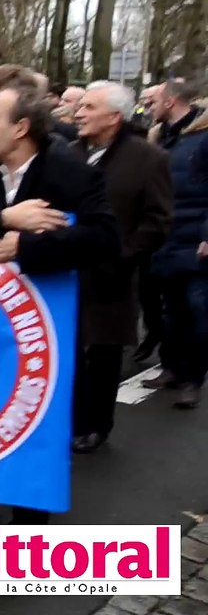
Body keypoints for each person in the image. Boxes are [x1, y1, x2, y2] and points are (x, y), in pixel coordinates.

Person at [0, 84, 120, 524]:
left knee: (33, 435)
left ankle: (24, 544)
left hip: (42, 339)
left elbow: (105, 239)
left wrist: (24, 247)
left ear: (21, 127)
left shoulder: (71, 174)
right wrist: (2, 219)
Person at [69, 81, 172, 450]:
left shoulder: (148, 159)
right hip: (67, 269)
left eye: (88, 107)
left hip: (112, 274)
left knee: (103, 352)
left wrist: (123, 256)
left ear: (114, 116)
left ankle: (97, 424)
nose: (79, 113)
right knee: (69, 350)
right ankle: (72, 420)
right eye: (79, 106)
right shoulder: (69, 154)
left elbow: (157, 221)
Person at [145, 81, 208, 409]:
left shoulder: (203, 136)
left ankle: (193, 379)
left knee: (198, 310)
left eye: (152, 100)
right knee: (171, 311)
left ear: (169, 102)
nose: (146, 105)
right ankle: (170, 367)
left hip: (195, 238)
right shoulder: (161, 138)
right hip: (167, 237)